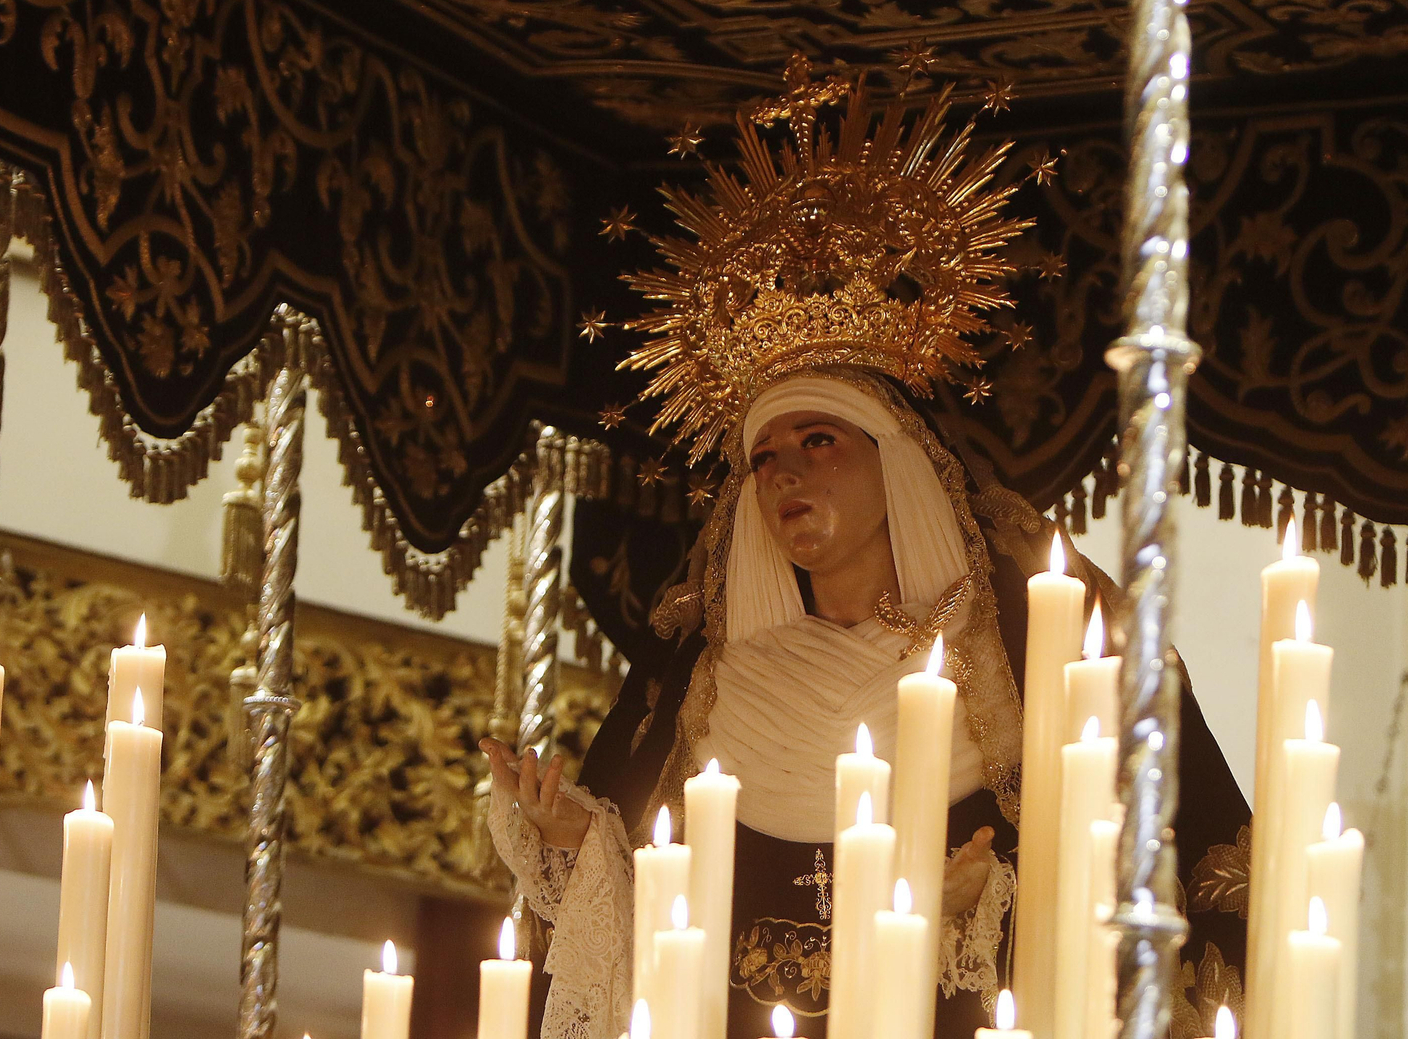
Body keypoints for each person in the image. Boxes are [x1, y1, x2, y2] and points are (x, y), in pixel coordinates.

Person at [481, 57, 1249, 1039]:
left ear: (894, 462)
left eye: (817, 442)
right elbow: (650, 908)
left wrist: (982, 898)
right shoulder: (708, 675)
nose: (787, 477)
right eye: (762, 458)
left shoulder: (1031, 649)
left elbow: (1143, 876)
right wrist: (571, 837)